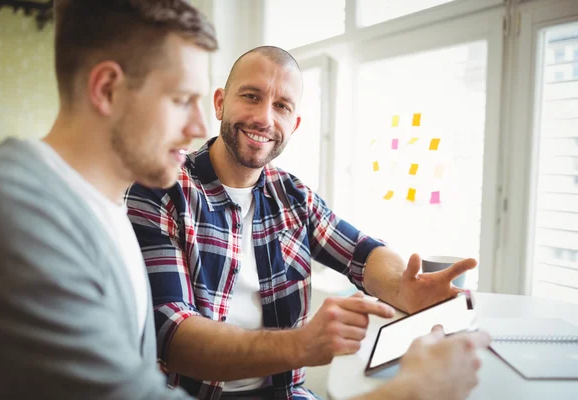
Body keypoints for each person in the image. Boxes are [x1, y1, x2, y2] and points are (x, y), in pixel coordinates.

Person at [126, 46, 489, 399]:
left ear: (294, 123)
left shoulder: (293, 195)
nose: (265, 118)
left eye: (281, 106)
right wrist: (304, 344)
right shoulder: (160, 188)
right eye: (251, 96)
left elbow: (362, 254)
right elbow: (174, 337)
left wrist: (403, 287)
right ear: (220, 102)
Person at [0, 0, 216, 398]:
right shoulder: (11, 211)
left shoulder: (108, 207)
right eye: (181, 100)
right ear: (107, 89)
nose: (200, 127)